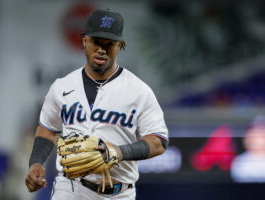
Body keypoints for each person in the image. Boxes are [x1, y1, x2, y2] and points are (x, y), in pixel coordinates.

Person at [25, 9, 169, 200]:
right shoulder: (62, 87)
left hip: (119, 193)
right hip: (70, 188)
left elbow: (158, 141)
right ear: (84, 41)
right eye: (96, 42)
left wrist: (120, 152)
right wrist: (36, 164)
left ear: (120, 45)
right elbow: (47, 130)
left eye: (109, 44)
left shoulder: (139, 91)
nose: (102, 49)